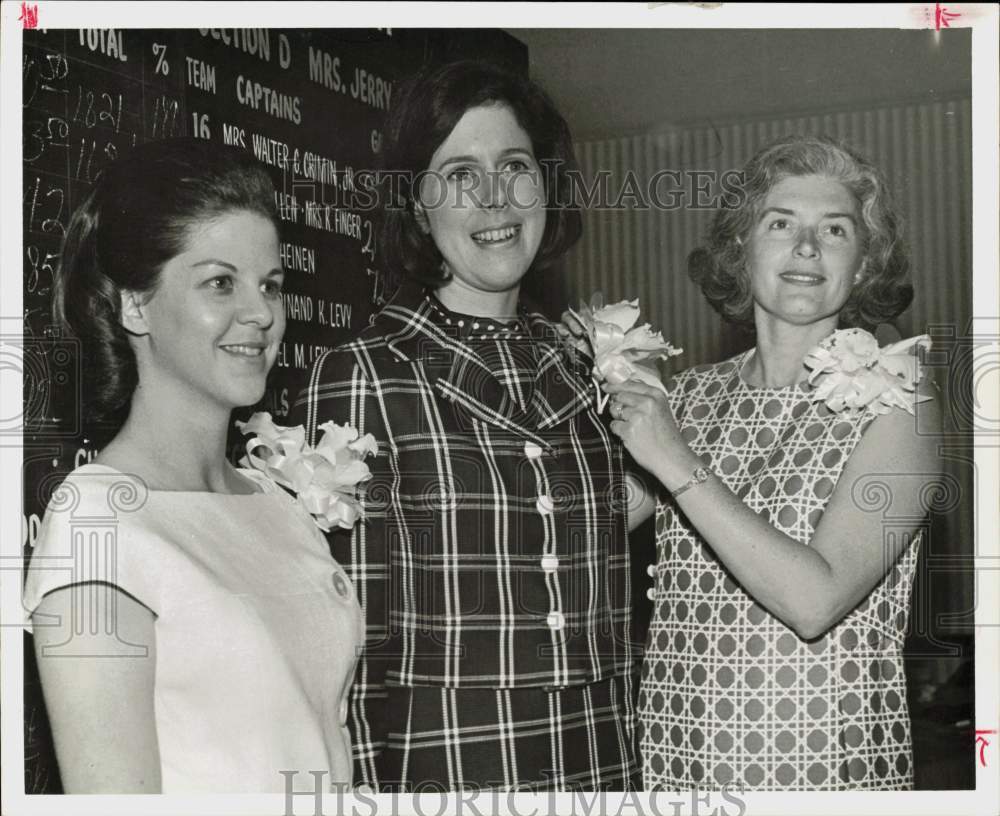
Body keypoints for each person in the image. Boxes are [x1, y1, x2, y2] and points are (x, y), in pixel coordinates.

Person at [290, 60, 645, 792]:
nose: (493, 197)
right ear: (417, 206)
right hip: (447, 764)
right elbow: (342, 633)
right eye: (458, 173)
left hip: (603, 758)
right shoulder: (365, 373)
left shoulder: (594, 367)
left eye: (514, 165)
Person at [600, 135, 941, 790]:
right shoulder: (689, 398)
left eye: (835, 230)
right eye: (780, 223)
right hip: (676, 759)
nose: (807, 247)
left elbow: (815, 599)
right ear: (740, 251)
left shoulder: (900, 401)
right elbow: (586, 530)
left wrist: (673, 460)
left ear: (864, 267)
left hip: (819, 769)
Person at [23, 138, 363, 793]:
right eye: (220, 282)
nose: (262, 313)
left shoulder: (277, 504)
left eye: (270, 285)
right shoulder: (97, 524)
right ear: (134, 305)